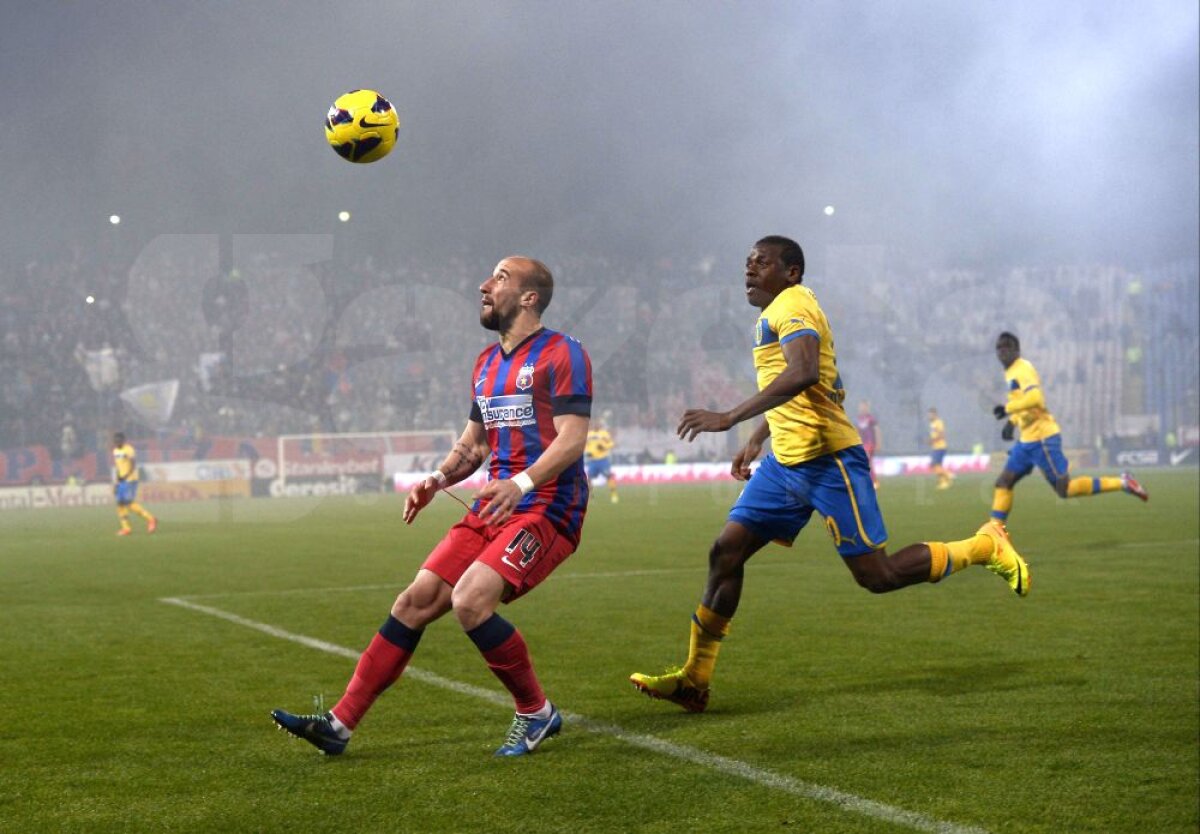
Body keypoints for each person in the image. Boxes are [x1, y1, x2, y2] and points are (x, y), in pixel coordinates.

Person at [629, 236, 1029, 713]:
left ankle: (985, 546)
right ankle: (695, 680)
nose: (749, 271)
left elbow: (802, 373)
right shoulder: (780, 310)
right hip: (785, 464)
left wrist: (729, 417)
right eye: (747, 263)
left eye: (762, 263)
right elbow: (798, 385)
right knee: (726, 551)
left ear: (792, 272)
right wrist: (759, 437)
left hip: (828, 460)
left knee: (876, 576)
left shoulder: (794, 304)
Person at [272, 256, 592, 757]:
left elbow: (573, 440)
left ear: (530, 297)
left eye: (501, 278)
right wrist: (438, 478)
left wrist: (522, 485)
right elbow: (474, 445)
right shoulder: (486, 364)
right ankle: (339, 725)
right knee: (413, 602)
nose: (485, 285)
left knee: (469, 601)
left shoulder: (563, 353)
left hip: (548, 508)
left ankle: (536, 713)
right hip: (493, 508)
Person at [989, 332, 1147, 522]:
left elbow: (1035, 398)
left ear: (1017, 350)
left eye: (1007, 347)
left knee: (1065, 489)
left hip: (1043, 438)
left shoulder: (1022, 369)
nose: (1002, 351)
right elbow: (1022, 401)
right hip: (1027, 440)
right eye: (999, 347)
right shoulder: (1010, 372)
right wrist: (1012, 422)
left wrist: (1008, 409)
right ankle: (996, 534)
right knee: (1004, 482)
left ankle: (1123, 482)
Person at [111, 432, 157, 536]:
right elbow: (119, 468)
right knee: (120, 503)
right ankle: (126, 528)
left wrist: (126, 476)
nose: (116, 442)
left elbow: (133, 465)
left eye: (118, 440)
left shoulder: (129, 449)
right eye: (115, 440)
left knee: (128, 502)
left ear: (123, 440)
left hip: (131, 479)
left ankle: (151, 519)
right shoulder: (115, 451)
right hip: (122, 480)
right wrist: (117, 482)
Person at [585, 418, 619, 503]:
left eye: (598, 423)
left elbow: (612, 443)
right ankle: (590, 496)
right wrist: (587, 452)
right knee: (589, 479)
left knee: (609, 476)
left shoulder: (604, 434)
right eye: (594, 423)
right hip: (592, 461)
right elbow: (586, 445)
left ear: (600, 425)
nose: (596, 425)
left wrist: (604, 447)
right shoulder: (589, 434)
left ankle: (614, 495)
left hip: (603, 460)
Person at [855, 400, 881, 487]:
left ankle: (873, 482)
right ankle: (867, 481)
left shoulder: (871, 418)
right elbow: (856, 431)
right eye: (861, 406)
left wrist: (878, 443)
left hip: (869, 443)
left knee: (868, 462)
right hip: (861, 444)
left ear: (867, 407)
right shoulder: (858, 419)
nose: (862, 408)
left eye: (864, 406)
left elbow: (877, 430)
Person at [927, 407, 954, 490]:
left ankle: (948, 474)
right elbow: (934, 434)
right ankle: (944, 482)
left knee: (934, 465)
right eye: (928, 415)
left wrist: (933, 440)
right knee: (937, 466)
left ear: (935, 414)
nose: (929, 416)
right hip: (935, 447)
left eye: (930, 414)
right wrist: (931, 440)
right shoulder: (932, 424)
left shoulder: (939, 422)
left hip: (940, 447)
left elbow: (942, 435)